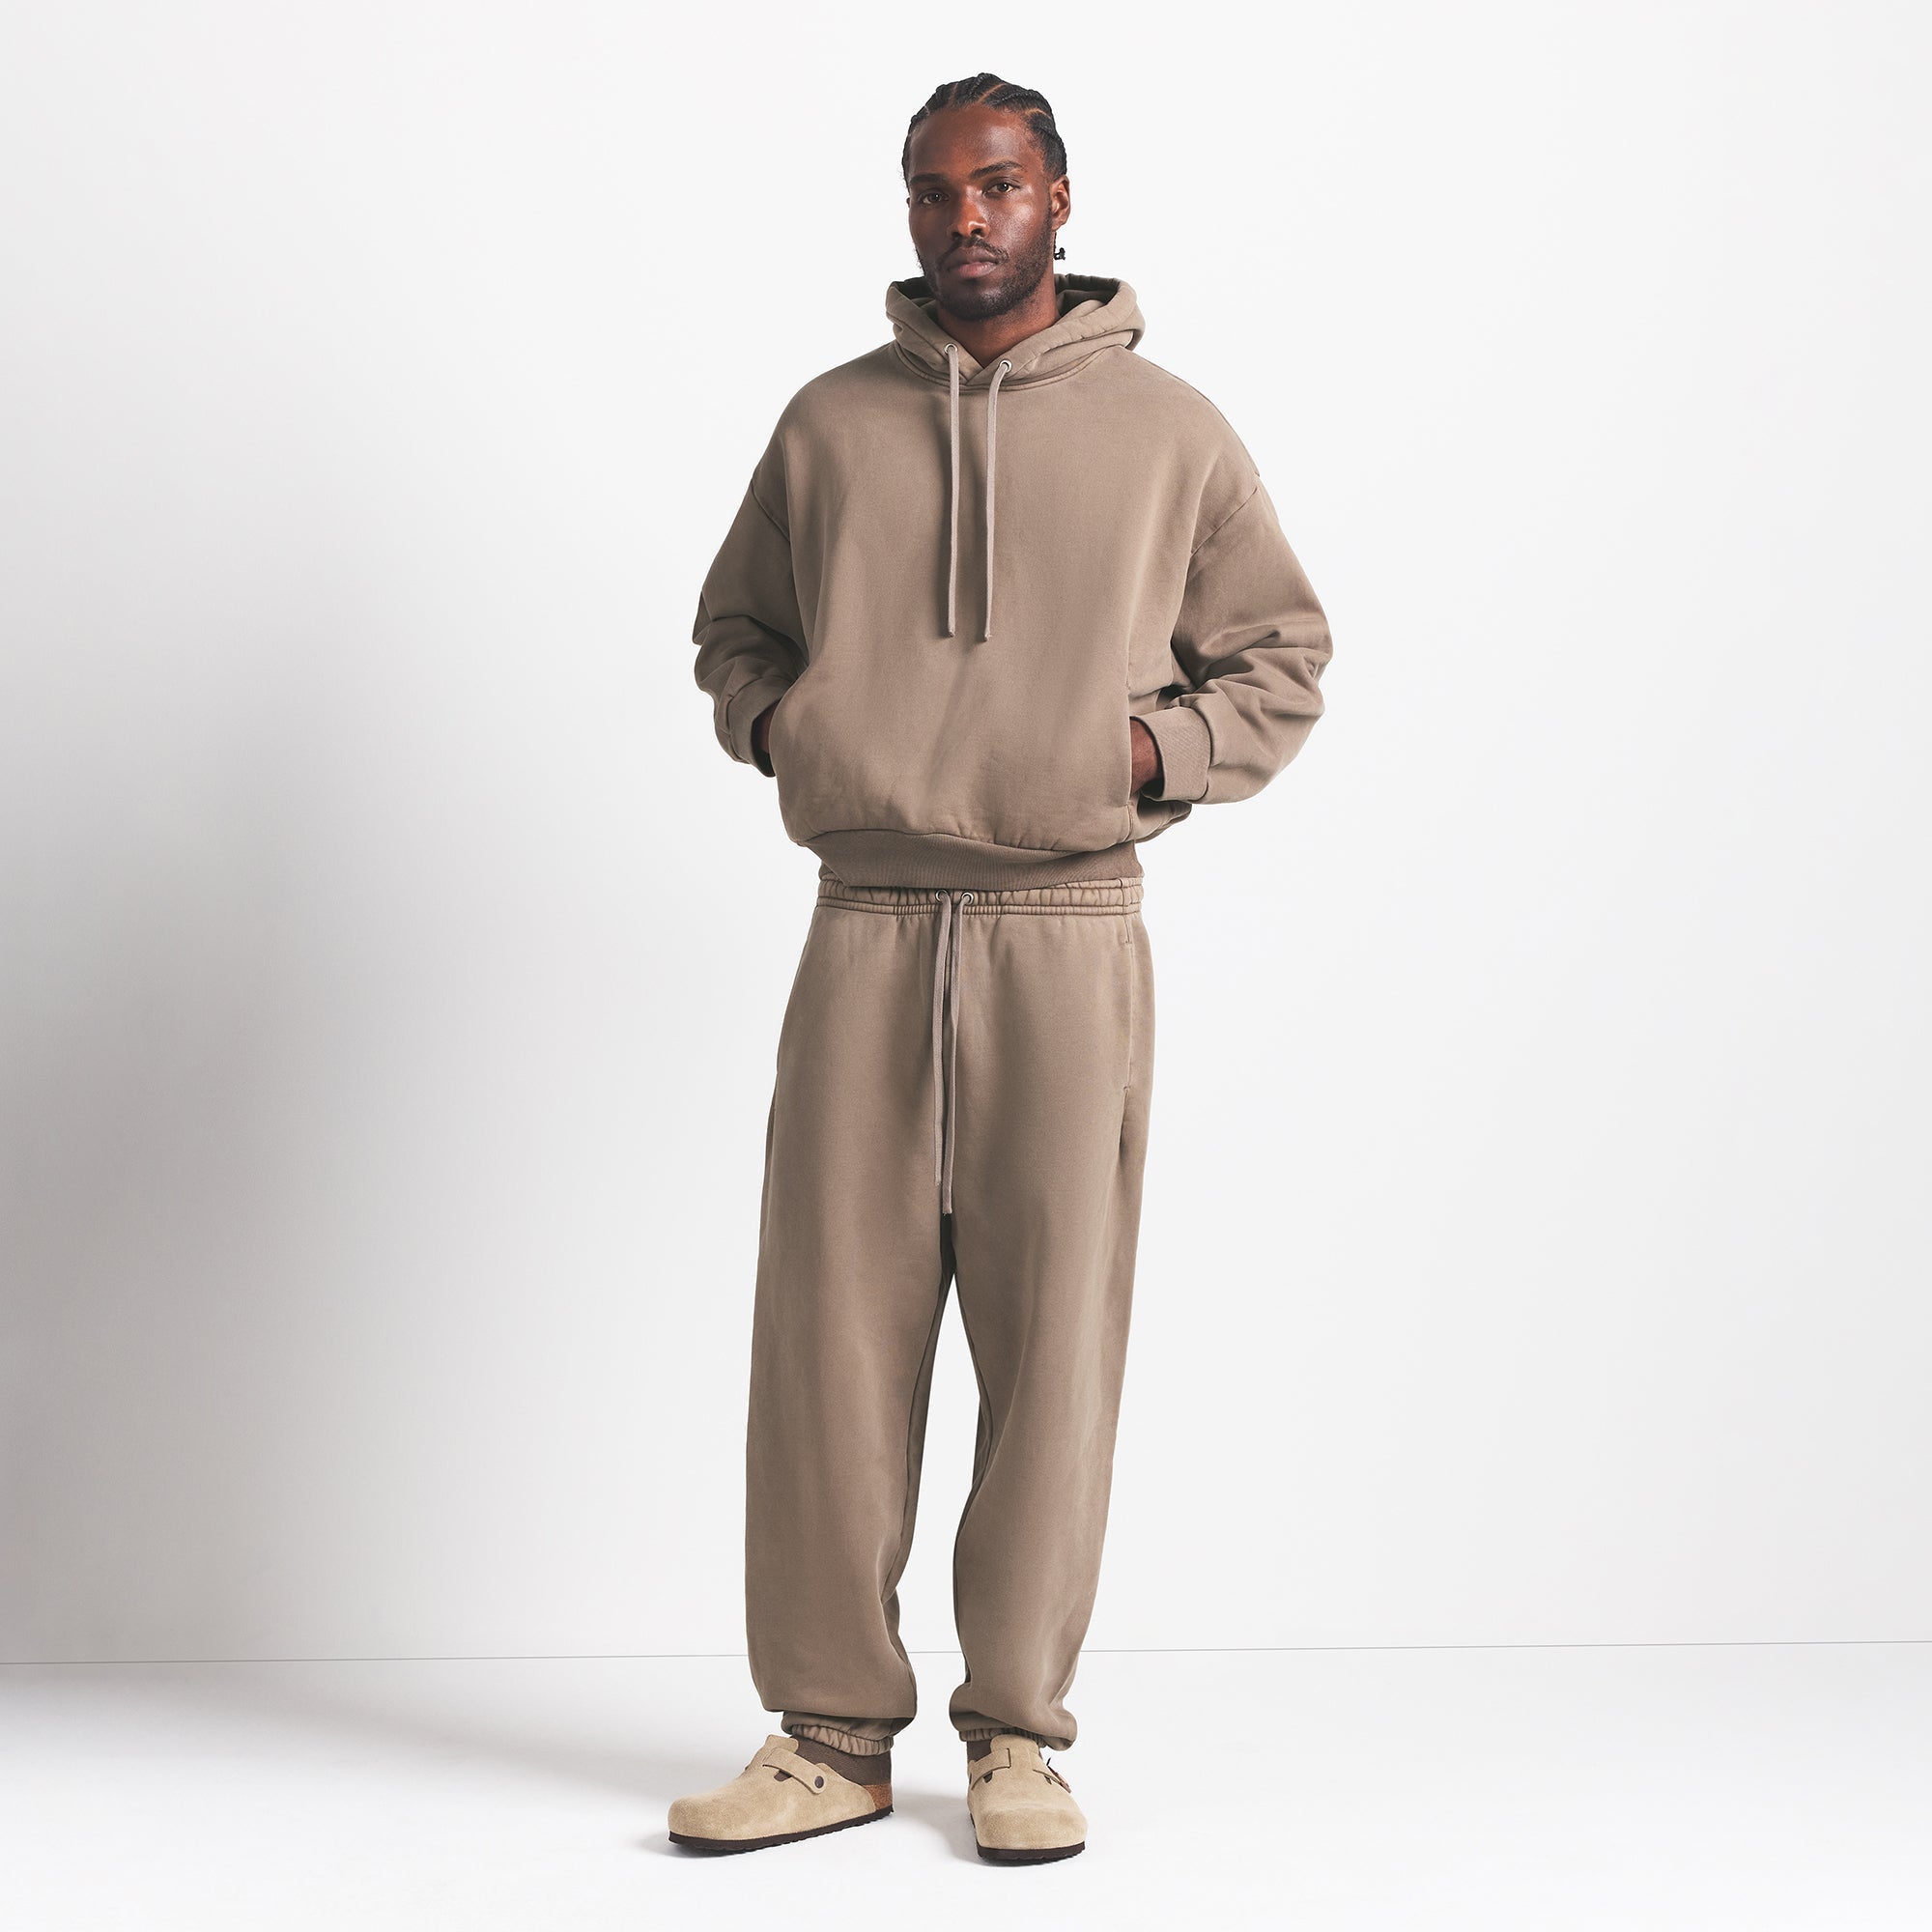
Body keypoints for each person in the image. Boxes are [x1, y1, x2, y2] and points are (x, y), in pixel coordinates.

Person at [670, 71, 1332, 1863]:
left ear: (1058, 197)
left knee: (1055, 1349)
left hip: (1068, 930)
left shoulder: (1172, 433)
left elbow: (1281, 657)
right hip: (867, 923)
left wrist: (1139, 756)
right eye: (932, 189)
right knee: (829, 1339)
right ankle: (827, 1732)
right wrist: (797, 733)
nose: (964, 217)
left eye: (997, 185)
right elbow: (736, 632)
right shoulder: (829, 425)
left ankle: (1019, 1734)